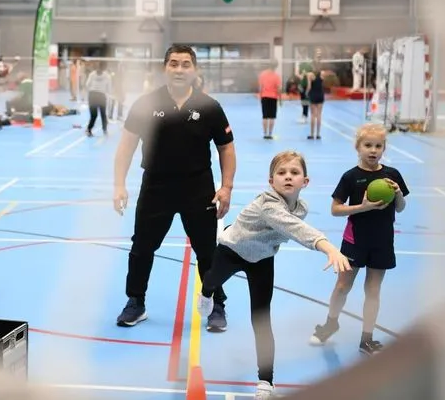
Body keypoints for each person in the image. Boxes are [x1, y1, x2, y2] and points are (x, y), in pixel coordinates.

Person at [197, 151, 351, 399]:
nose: (288, 177)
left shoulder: (301, 208)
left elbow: (292, 225)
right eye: (281, 173)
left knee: (261, 319)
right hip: (232, 250)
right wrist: (328, 247)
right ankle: (206, 293)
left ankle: (265, 382)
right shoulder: (269, 203)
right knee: (212, 280)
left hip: (262, 260)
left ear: (305, 181)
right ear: (271, 182)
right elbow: (295, 229)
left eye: (294, 173)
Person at [112, 45, 236, 332]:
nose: (179, 70)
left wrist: (226, 187)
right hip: (156, 186)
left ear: (195, 70)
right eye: (173, 64)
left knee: (207, 250)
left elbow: (226, 150)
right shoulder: (145, 104)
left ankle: (217, 305)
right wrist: (119, 185)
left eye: (185, 64)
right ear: (164, 68)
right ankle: (136, 302)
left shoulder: (210, 107)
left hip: (198, 186)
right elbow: (125, 147)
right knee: (142, 247)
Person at [310, 123, 409, 355]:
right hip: (355, 240)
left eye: (378, 146)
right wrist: (362, 207)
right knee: (343, 286)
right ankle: (330, 324)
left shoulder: (392, 175)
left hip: (383, 241)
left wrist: (397, 194)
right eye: (368, 145)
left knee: (373, 290)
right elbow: (335, 209)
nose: (373, 150)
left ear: (384, 148)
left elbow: (401, 208)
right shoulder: (350, 177)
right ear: (358, 147)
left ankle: (367, 338)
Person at [85, 61, 113, 136]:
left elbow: (87, 85)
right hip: (101, 96)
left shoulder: (92, 74)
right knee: (103, 114)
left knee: (94, 115)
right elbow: (109, 89)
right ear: (105, 68)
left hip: (92, 95)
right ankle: (105, 130)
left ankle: (89, 129)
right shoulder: (107, 76)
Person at [258, 61, 282, 139]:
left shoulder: (262, 74)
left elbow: (260, 87)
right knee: (272, 116)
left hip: (264, 96)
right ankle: (270, 134)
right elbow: (278, 89)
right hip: (273, 97)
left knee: (265, 116)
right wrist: (280, 99)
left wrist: (261, 96)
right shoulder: (277, 76)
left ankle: (265, 134)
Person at [306, 65, 325, 139]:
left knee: (313, 115)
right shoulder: (322, 73)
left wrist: (306, 93)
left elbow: (309, 86)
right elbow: (322, 83)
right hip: (320, 95)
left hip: (313, 95)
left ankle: (311, 134)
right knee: (319, 115)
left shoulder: (310, 75)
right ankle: (318, 134)